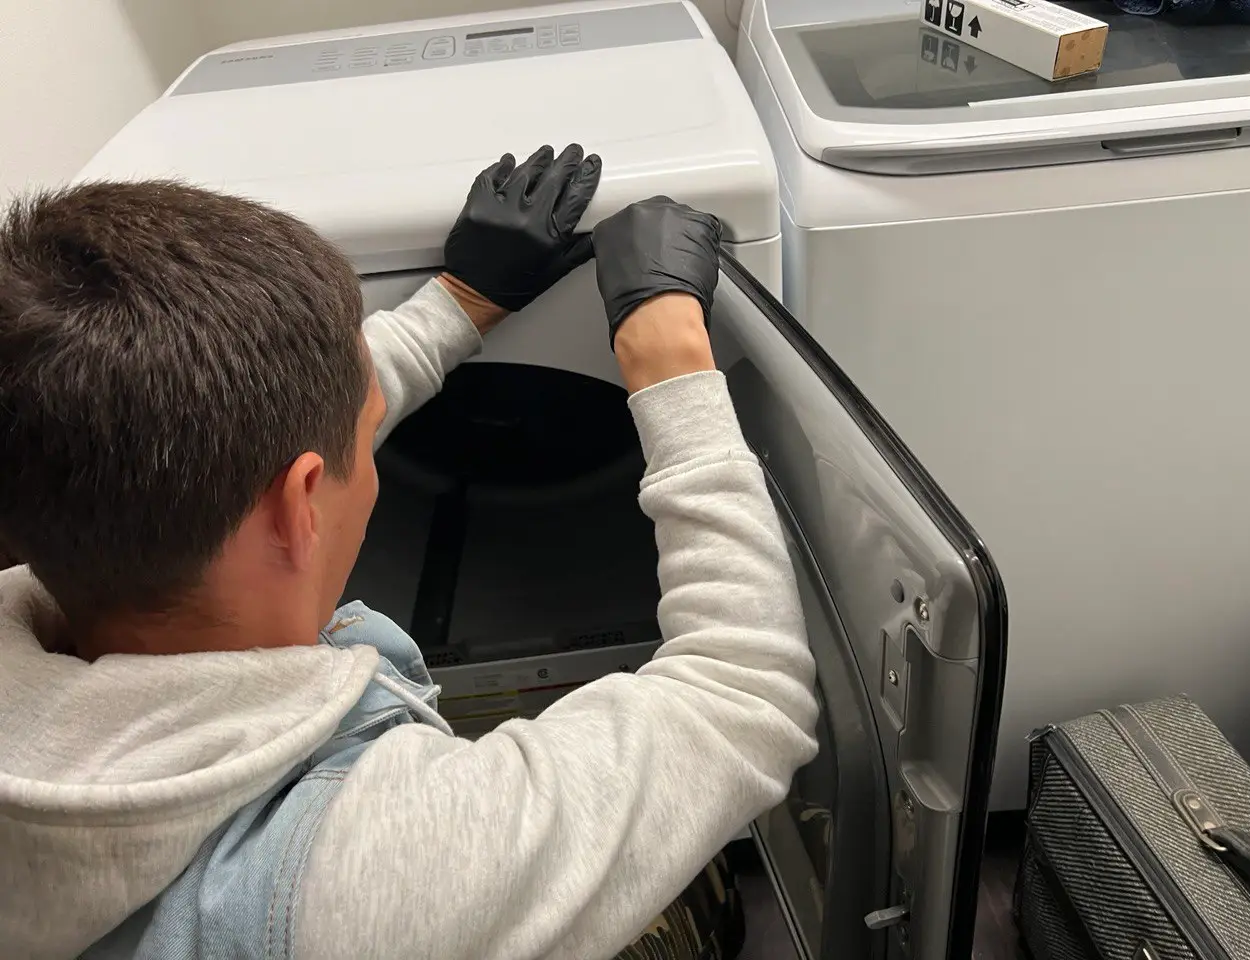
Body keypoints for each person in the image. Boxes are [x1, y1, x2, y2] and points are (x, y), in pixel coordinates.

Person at [0, 145, 818, 960]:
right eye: (366, 433)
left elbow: (201, 440)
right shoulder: (350, 880)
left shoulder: (53, 524)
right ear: (297, 506)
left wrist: (459, 300)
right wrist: (667, 355)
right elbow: (743, 692)